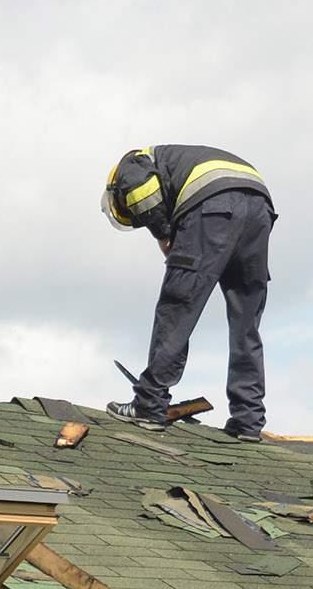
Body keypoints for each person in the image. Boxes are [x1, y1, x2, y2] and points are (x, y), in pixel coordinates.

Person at [99, 144, 274, 441]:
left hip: (213, 206)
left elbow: (141, 190)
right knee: (247, 321)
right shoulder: (177, 161)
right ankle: (248, 420)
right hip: (259, 207)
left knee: (178, 305)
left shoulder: (130, 165)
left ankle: (149, 403)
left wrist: (164, 234)